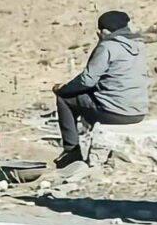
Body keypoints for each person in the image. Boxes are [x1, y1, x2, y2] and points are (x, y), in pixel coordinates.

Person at [53, 10, 148, 168]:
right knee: (90, 96)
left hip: (116, 114)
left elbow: (87, 80)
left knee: (65, 99)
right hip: (138, 112)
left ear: (103, 31)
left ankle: (71, 152)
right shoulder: (139, 46)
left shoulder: (107, 47)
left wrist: (63, 89)